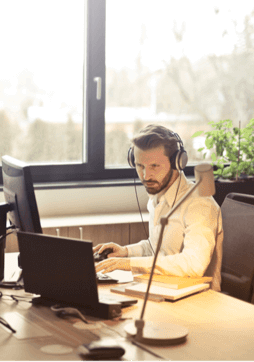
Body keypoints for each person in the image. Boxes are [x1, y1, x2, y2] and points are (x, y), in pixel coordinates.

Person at [95, 124, 223, 291]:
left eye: (154, 166)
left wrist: (129, 263)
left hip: (198, 301)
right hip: (163, 289)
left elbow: (194, 265)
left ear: (177, 162)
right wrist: (125, 252)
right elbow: (156, 249)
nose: (146, 176)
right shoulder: (157, 197)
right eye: (140, 166)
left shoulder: (199, 204)